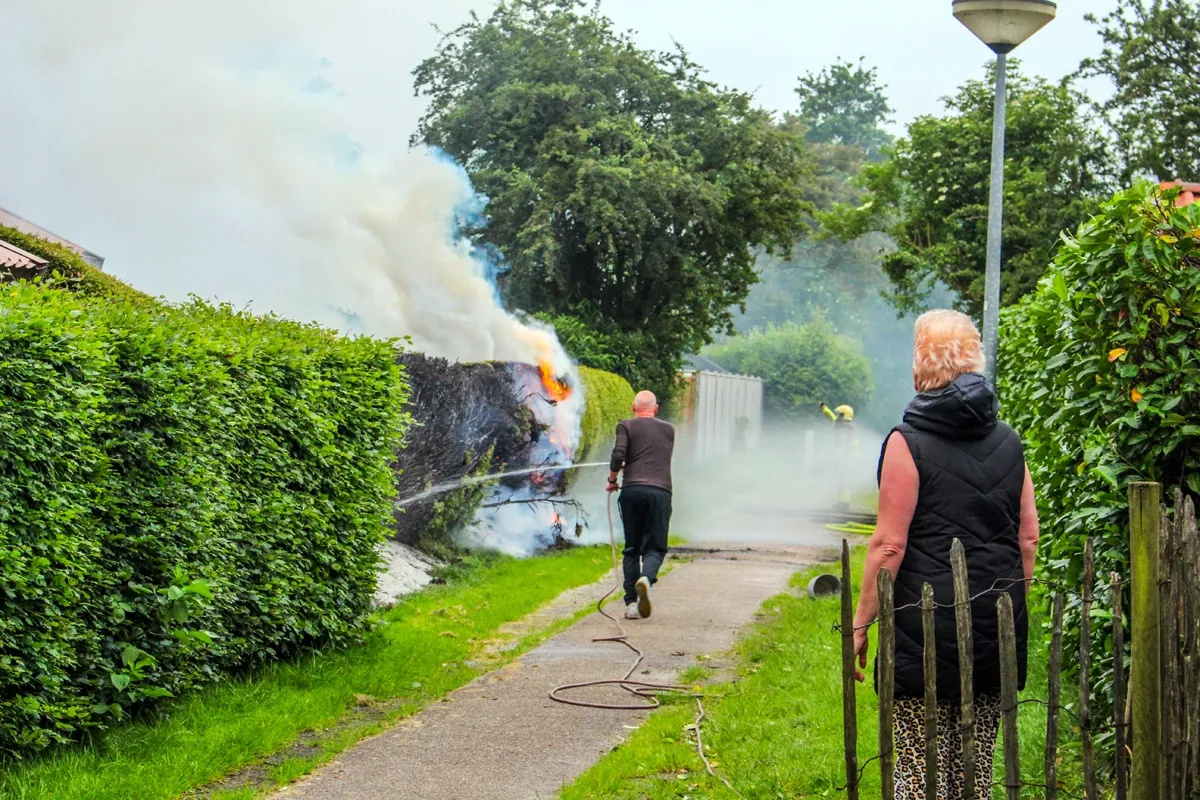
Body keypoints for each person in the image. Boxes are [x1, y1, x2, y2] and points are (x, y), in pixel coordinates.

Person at [852, 310, 1040, 799]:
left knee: (919, 768)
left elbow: (890, 544)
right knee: (973, 772)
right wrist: (1015, 601)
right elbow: (1028, 538)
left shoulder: (906, 442)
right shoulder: (1010, 442)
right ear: (975, 361)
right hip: (995, 621)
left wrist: (860, 623)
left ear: (920, 367)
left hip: (924, 625)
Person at [607, 390, 675, 621]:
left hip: (632, 491)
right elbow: (654, 455)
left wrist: (612, 479)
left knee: (632, 549)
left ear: (633, 407)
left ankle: (631, 605)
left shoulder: (625, 426)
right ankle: (646, 578)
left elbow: (618, 454)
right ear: (656, 408)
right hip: (660, 492)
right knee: (655, 547)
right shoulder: (669, 430)